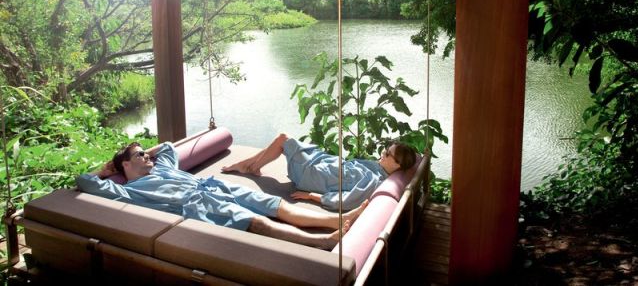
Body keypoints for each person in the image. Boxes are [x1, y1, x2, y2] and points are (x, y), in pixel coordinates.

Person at [76, 141, 367, 250]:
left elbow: (166, 146)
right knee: (256, 222)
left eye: (145, 153)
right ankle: (322, 242)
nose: (147, 157)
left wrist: (141, 151)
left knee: (273, 204)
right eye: (139, 156)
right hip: (201, 207)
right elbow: (84, 181)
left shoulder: (161, 165)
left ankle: (333, 220)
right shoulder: (126, 191)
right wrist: (106, 170)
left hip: (215, 187)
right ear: (125, 166)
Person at [222, 133, 417, 211]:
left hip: (311, 175)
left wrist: (311, 196)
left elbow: (346, 201)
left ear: (397, 165)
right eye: (385, 150)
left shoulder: (373, 181)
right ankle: (249, 165)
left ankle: (250, 166)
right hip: (320, 164)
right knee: (285, 142)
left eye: (387, 154)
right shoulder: (379, 168)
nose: (382, 153)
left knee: (283, 140)